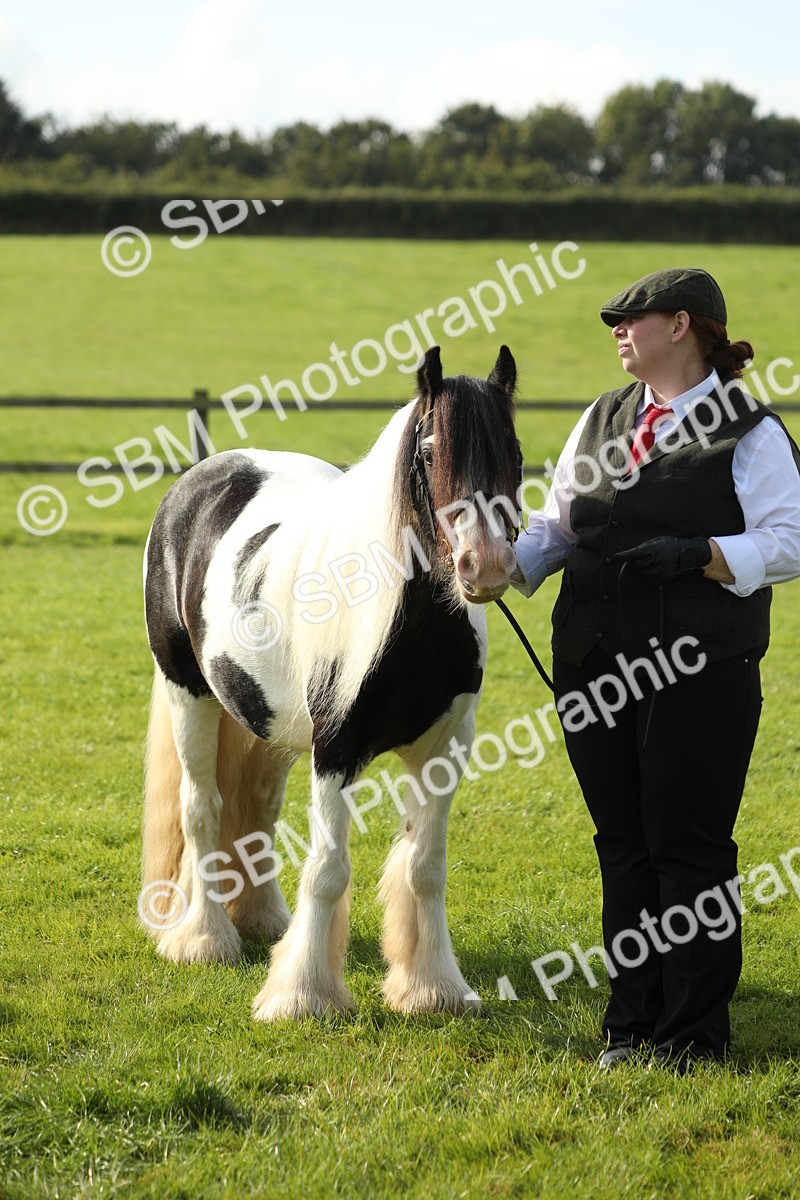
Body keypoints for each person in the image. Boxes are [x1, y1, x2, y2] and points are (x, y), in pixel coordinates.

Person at [512, 267, 800, 1069]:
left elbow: (791, 538)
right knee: (624, 845)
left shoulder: (752, 430)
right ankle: (630, 1027)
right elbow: (558, 524)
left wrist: (704, 554)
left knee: (689, 847)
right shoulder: (602, 416)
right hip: (592, 665)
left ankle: (693, 1037)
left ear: (683, 326)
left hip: (699, 671)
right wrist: (507, 567)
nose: (617, 329)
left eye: (631, 317)